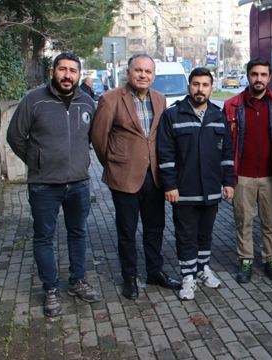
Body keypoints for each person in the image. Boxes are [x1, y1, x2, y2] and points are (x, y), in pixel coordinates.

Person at [7, 52, 101, 317]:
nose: (67, 75)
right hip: (44, 185)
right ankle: (50, 288)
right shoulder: (34, 101)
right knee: (44, 238)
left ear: (79, 75)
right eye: (63, 69)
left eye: (73, 70)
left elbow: (93, 136)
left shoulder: (87, 102)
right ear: (53, 71)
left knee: (78, 233)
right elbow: (15, 136)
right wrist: (37, 160)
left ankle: (77, 281)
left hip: (79, 183)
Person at [90, 52, 181, 300]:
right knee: (126, 231)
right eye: (138, 70)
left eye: (148, 71)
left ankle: (154, 272)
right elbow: (99, 138)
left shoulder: (160, 99)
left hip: (154, 176)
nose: (143, 75)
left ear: (153, 75)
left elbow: (161, 137)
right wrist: (113, 164)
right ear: (128, 72)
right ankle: (129, 276)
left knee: (155, 229)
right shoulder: (110, 99)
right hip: (124, 177)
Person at [157, 67, 235, 300]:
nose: (200, 89)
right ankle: (187, 276)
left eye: (205, 85)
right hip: (184, 191)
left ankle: (202, 269)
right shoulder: (173, 115)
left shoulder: (219, 116)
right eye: (195, 84)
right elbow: (165, 154)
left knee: (205, 233)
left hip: (211, 190)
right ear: (189, 86)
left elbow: (227, 154)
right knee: (185, 234)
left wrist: (228, 182)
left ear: (211, 88)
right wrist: (170, 186)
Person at [223, 58, 272, 283]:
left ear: (269, 77)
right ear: (247, 76)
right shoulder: (232, 105)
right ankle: (246, 260)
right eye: (254, 74)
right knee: (244, 221)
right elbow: (225, 145)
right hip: (243, 176)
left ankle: (271, 259)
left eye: (263, 74)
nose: (258, 79)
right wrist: (227, 179)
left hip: (270, 176)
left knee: (270, 222)